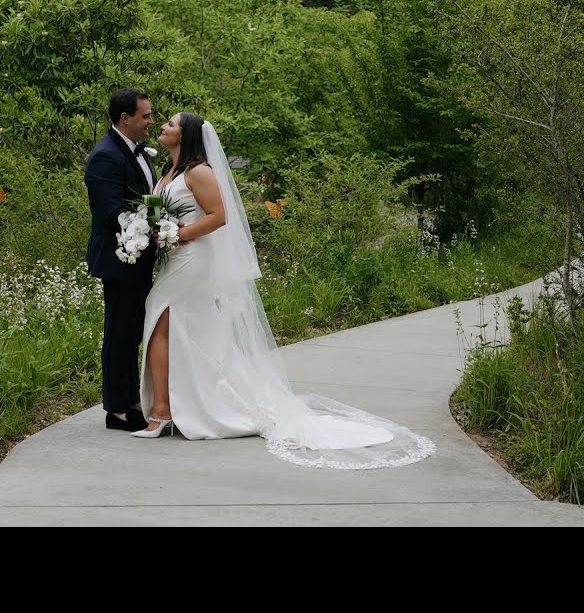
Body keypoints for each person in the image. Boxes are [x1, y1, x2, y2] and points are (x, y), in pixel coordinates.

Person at [129, 112, 435, 470]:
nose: (163, 127)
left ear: (186, 135)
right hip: (174, 258)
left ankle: (163, 411)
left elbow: (218, 216)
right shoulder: (169, 172)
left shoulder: (199, 171)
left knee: (160, 320)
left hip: (192, 259)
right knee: (179, 328)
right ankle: (183, 404)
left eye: (170, 124)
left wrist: (179, 234)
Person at [84, 88, 159, 432]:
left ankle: (131, 400)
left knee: (132, 331)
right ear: (124, 118)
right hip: (120, 259)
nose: (150, 122)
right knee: (119, 332)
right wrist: (155, 231)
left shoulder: (140, 153)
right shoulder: (105, 156)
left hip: (139, 257)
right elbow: (111, 212)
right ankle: (116, 410)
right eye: (145, 116)